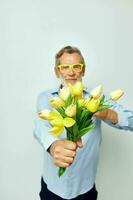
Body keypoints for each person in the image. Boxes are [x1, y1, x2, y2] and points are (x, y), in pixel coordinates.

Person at [34, 46, 133, 200]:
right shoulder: (47, 98)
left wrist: (108, 113)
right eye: (65, 67)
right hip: (52, 187)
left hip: (85, 189)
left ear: (83, 70)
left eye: (76, 67)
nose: (71, 72)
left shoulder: (97, 99)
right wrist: (53, 146)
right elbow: (40, 126)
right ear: (57, 71)